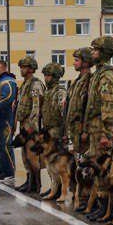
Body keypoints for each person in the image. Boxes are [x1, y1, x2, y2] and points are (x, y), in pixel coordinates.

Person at [83, 36, 113, 221]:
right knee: (97, 169)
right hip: (95, 128)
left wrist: (107, 134)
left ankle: (107, 206)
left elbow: (109, 106)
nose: (92, 52)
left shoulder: (107, 75)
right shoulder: (98, 74)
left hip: (102, 130)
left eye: (96, 49)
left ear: (104, 53)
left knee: (103, 170)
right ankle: (102, 204)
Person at [14, 57, 46, 193]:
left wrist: (32, 125)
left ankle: (36, 184)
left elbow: (36, 106)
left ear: (30, 69)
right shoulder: (25, 84)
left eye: (24, 67)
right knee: (25, 156)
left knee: (32, 156)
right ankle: (29, 180)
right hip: (24, 123)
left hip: (30, 125)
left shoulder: (35, 84)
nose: (21, 69)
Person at [38, 62, 67, 197]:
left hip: (56, 131)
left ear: (55, 77)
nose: (46, 78)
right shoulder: (48, 92)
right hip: (48, 131)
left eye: (48, 75)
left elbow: (64, 112)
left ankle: (60, 190)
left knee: (58, 165)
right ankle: (54, 188)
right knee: (50, 164)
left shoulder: (59, 92)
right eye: (45, 75)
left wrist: (65, 132)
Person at [64, 48, 93, 158]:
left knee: (85, 161)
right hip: (75, 129)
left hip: (82, 129)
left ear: (85, 62)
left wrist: (86, 130)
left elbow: (89, 107)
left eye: (77, 60)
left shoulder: (89, 80)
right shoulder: (78, 81)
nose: (73, 63)